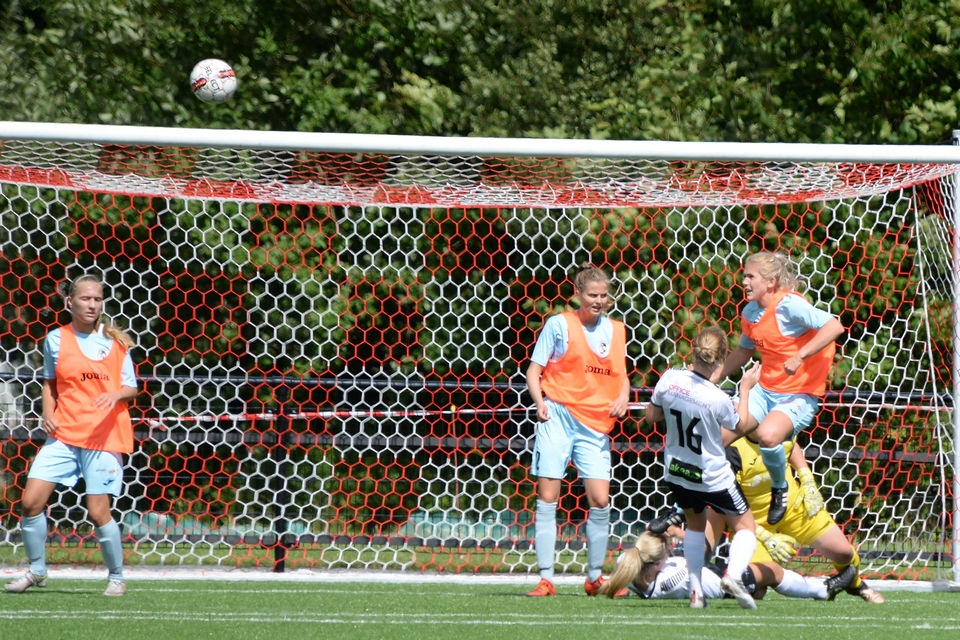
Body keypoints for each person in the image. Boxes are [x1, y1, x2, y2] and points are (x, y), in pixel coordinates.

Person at [5, 274, 138, 597]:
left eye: (97, 299)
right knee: (30, 503)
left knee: (98, 512)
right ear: (70, 302)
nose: (92, 305)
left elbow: (131, 387)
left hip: (102, 437)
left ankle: (116, 577)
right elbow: (50, 383)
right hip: (64, 435)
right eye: (85, 298)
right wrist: (48, 413)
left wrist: (115, 395)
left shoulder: (115, 342)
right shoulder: (56, 339)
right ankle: (37, 571)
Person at [712, 251, 844, 525]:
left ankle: (780, 487)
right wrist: (713, 376)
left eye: (751, 277)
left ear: (771, 282)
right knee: (714, 439)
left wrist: (800, 356)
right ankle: (690, 503)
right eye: (744, 276)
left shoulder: (789, 306)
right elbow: (744, 351)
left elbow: (834, 327)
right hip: (765, 391)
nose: (744, 282)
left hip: (798, 394)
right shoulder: (750, 312)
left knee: (768, 435)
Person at [524, 264, 631, 597]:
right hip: (557, 415)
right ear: (578, 294)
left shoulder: (616, 330)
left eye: (604, 295)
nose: (598, 301)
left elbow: (622, 376)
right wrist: (539, 402)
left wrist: (623, 397)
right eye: (592, 295)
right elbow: (534, 370)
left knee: (600, 499)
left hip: (595, 423)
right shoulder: (559, 324)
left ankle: (595, 578)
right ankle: (546, 578)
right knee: (548, 496)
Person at [642, 326, 761, 609]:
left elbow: (651, 417)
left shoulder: (669, 378)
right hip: (711, 475)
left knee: (695, 525)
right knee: (746, 526)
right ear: (721, 358)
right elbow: (740, 425)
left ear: (693, 350)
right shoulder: (717, 398)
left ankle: (696, 593)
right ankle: (733, 575)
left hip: (678, 472)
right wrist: (745, 388)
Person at [710, 431, 885, 604]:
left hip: (794, 507)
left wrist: (807, 478)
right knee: (756, 590)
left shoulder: (777, 427)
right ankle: (821, 590)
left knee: (844, 554)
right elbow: (727, 502)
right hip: (753, 523)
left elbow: (791, 445)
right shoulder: (731, 450)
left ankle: (855, 585)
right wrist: (763, 535)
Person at [601, 530, 856, 602]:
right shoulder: (672, 580)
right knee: (773, 571)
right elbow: (696, 549)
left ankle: (756, 590)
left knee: (761, 589)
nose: (670, 554)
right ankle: (823, 590)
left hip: (711, 571)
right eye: (667, 554)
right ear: (657, 564)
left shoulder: (631, 565)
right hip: (722, 582)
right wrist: (679, 532)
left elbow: (628, 561)